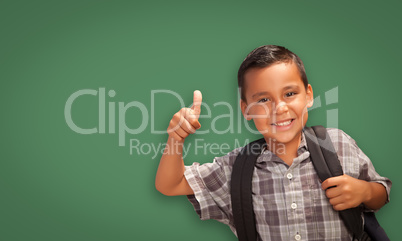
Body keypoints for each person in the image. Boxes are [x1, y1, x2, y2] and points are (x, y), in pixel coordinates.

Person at [155, 45, 392, 240]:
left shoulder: (337, 143)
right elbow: (170, 185)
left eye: (289, 94)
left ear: (308, 95)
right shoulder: (236, 168)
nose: (279, 108)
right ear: (246, 109)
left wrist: (365, 191)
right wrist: (175, 138)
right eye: (264, 99)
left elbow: (381, 192)